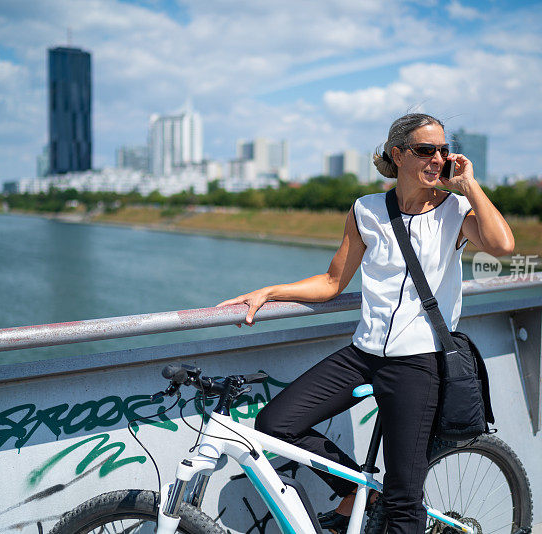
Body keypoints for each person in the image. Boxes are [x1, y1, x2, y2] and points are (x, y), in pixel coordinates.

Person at [217, 113, 514, 534]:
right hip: (364, 353)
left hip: (419, 364)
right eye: (426, 150)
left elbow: (502, 245)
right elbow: (332, 281)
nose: (438, 158)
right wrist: (269, 292)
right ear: (398, 154)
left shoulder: (455, 211)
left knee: (404, 499)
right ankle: (359, 490)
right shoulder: (367, 210)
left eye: (443, 150)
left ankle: (386, 500)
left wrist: (469, 185)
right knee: (274, 424)